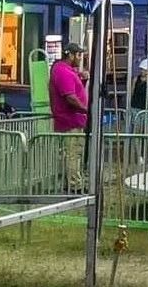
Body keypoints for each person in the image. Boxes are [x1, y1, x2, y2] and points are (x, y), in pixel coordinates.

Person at [49, 43, 89, 191]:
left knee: (75, 153)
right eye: (78, 55)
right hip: (70, 121)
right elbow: (70, 98)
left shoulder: (68, 71)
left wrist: (82, 80)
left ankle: (74, 182)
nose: (80, 58)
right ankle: (75, 186)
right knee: (73, 154)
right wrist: (86, 110)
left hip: (75, 120)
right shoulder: (62, 72)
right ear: (70, 55)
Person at [128, 59, 148, 133]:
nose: (143, 71)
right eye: (142, 69)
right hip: (136, 108)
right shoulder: (136, 79)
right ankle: (136, 145)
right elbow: (131, 93)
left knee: (147, 132)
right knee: (136, 131)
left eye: (145, 69)